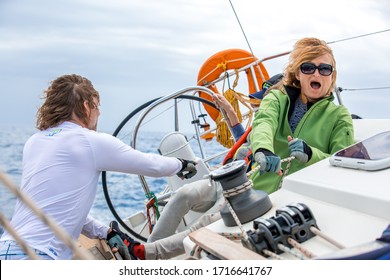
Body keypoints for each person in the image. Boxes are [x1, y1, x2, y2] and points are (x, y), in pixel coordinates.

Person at [0, 74, 197, 260]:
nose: (99, 112)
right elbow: (150, 165)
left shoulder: (35, 142)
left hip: (8, 247)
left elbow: (57, 208)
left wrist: (106, 231)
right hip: (39, 256)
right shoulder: (88, 141)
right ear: (86, 106)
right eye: (97, 105)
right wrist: (181, 164)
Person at [147, 74, 283, 243]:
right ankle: (151, 244)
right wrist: (229, 110)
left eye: (266, 101)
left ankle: (149, 253)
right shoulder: (259, 129)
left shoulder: (278, 132)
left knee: (206, 221)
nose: (260, 107)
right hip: (221, 178)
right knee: (182, 194)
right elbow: (242, 139)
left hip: (239, 186)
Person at [250, 37, 355, 194]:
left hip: (302, 200)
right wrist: (263, 149)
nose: (317, 74)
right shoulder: (276, 98)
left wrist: (311, 154)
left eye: (325, 69)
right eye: (308, 68)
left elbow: (342, 165)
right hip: (256, 191)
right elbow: (264, 122)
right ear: (298, 73)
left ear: (332, 76)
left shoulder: (340, 116)